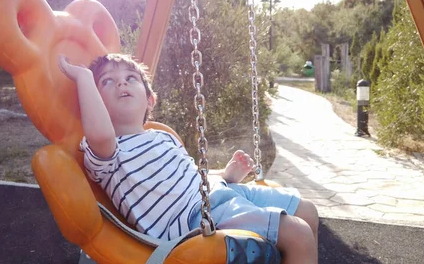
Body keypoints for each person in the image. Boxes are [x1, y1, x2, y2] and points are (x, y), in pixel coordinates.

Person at [58, 53, 319, 264]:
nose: (121, 83)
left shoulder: (163, 136)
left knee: (308, 211)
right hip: (196, 220)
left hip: (216, 193)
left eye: (130, 78)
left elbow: (190, 176)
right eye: (107, 81)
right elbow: (101, 134)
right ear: (95, 103)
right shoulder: (108, 153)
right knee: (298, 234)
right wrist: (82, 77)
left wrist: (226, 176)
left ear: (150, 100)